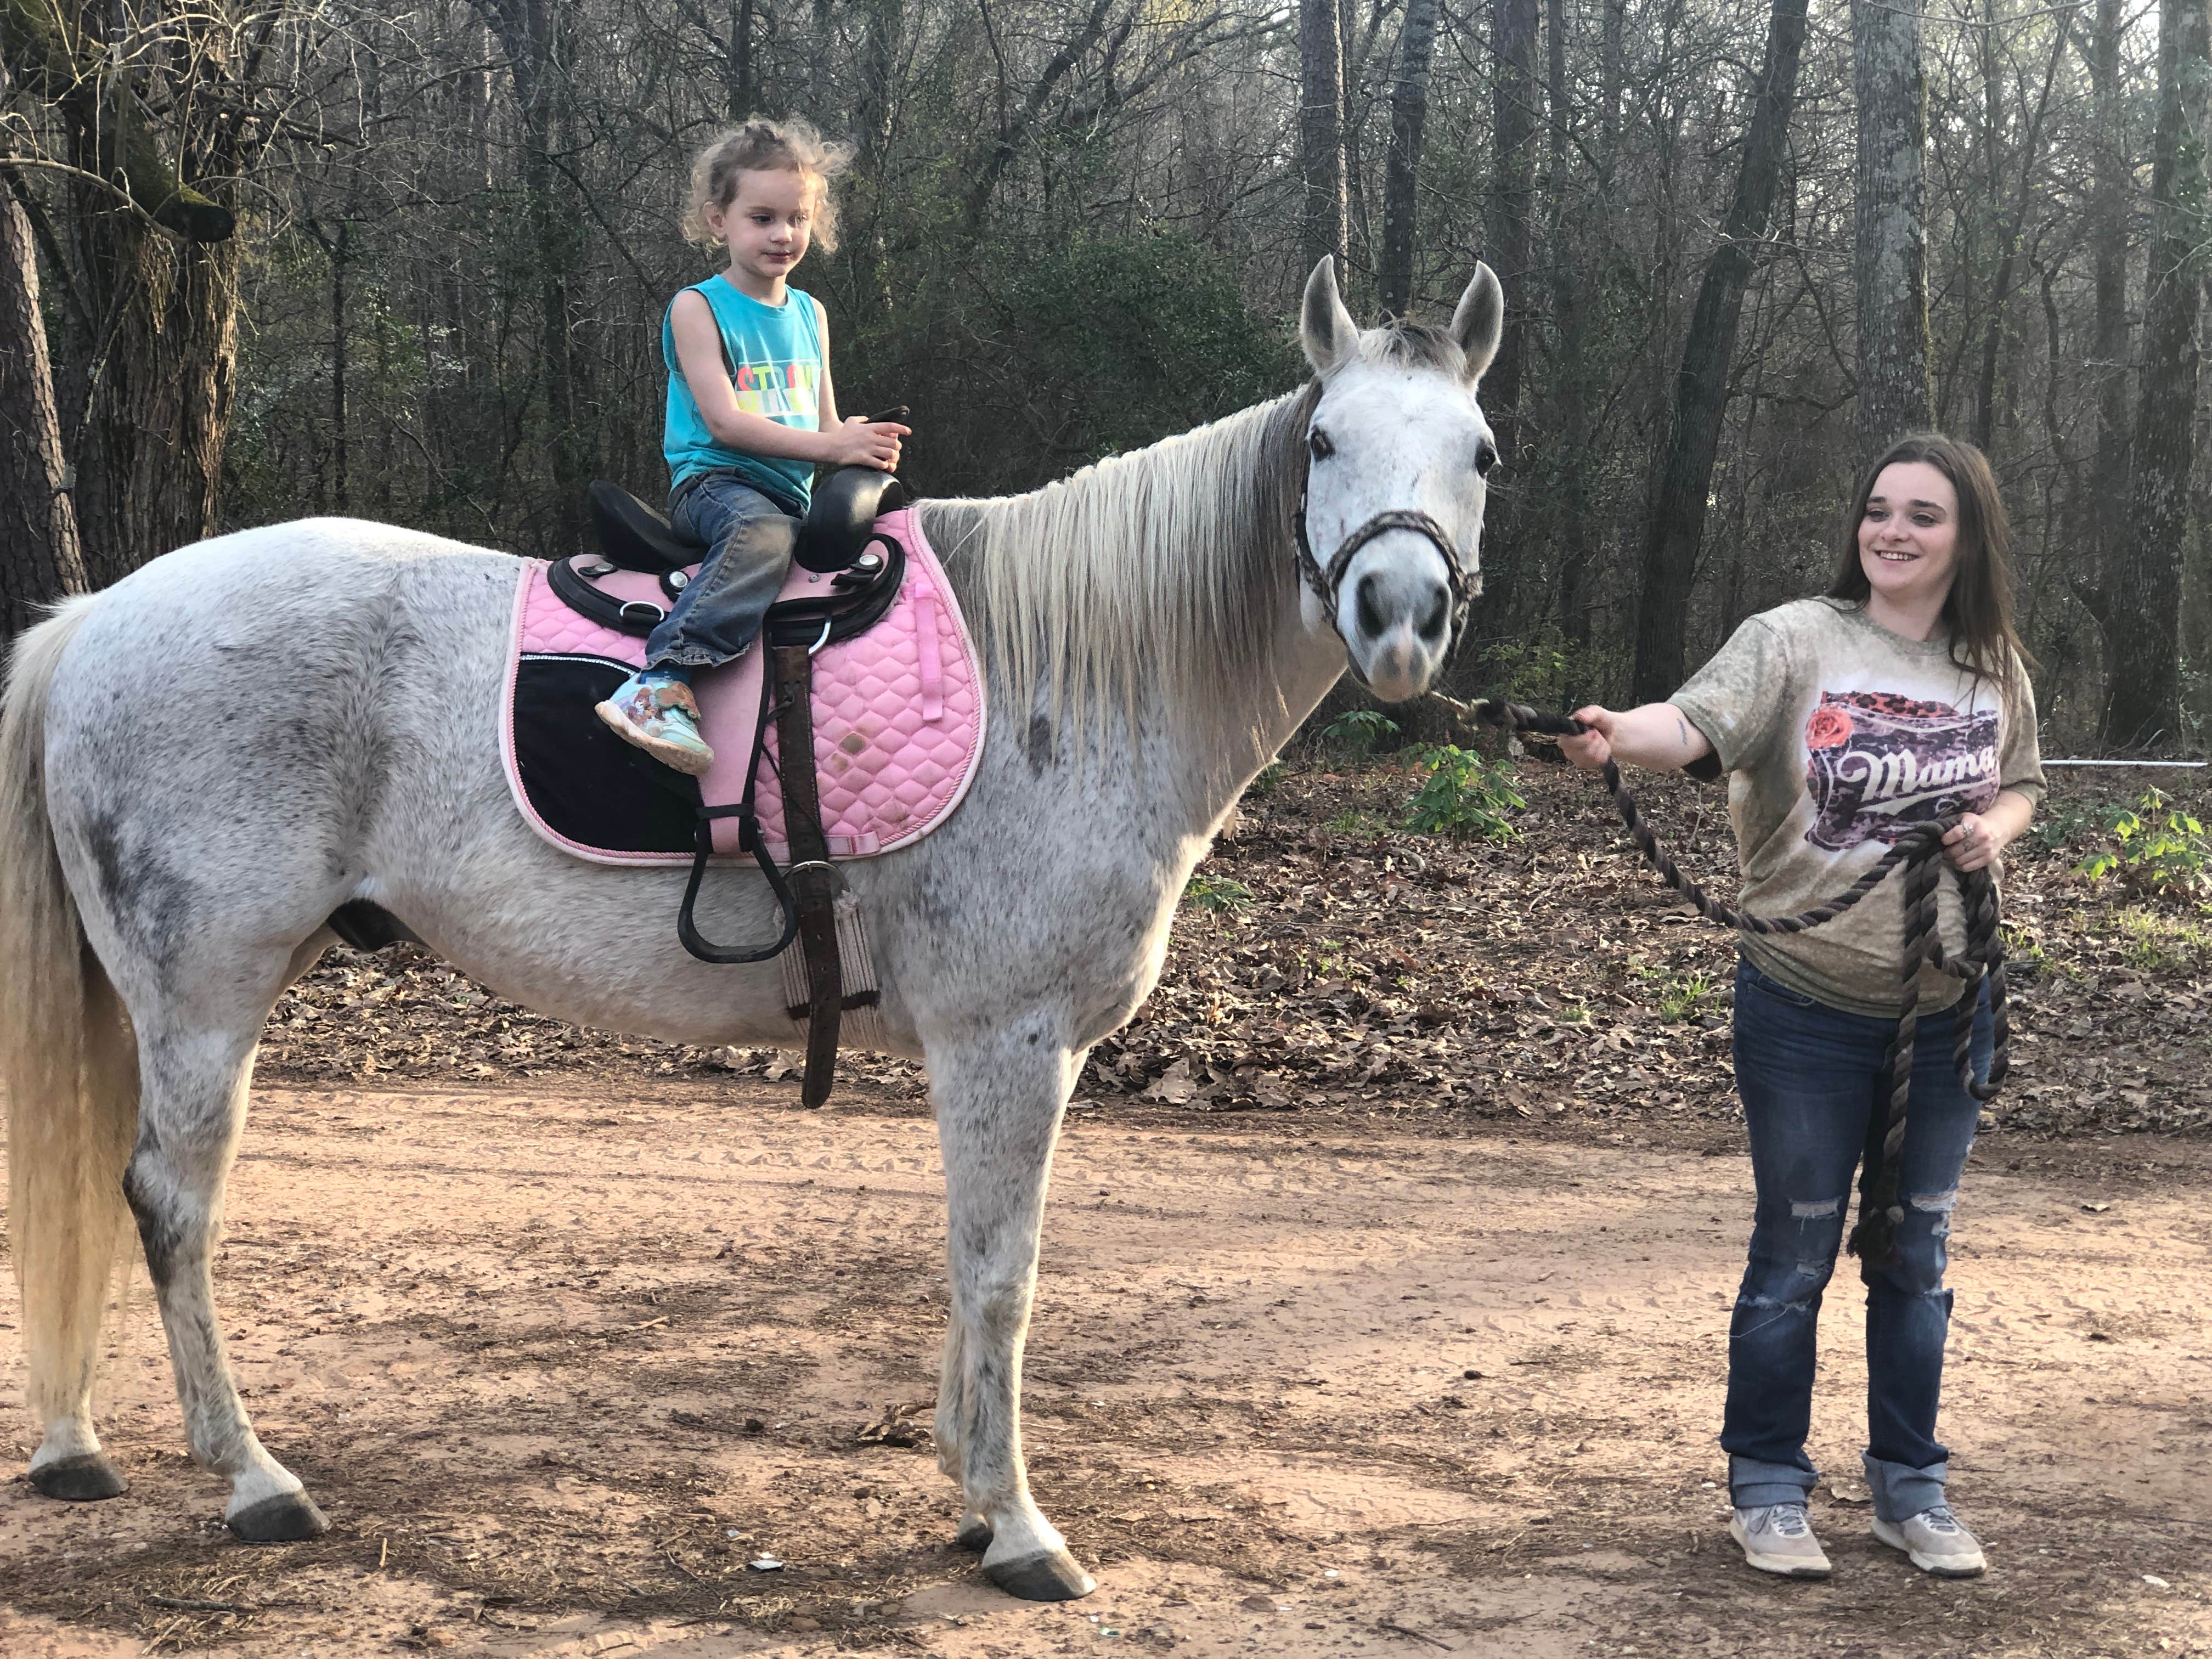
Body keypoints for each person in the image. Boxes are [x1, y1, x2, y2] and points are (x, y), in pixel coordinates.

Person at [1560, 433, 2044, 1583]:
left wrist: (1996, 830)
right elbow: (1691, 727)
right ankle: (1769, 1486)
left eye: (1924, 516)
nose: (1894, 531)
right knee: (1797, 1250)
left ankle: (1909, 1489)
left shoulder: (1995, 666)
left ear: (1966, 537)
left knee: (1915, 1252)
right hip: (1807, 1009)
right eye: (1880, 509)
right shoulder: (1794, 640)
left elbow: (2023, 779)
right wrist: (1615, 733)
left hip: (1947, 1007)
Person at [596, 117, 910, 775]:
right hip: (716, 483)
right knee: (764, 533)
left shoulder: (811, 313)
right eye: (761, 217)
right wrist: (834, 448)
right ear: (719, 222)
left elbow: (823, 427)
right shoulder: (697, 307)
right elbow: (725, 424)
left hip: (790, 491)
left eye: (797, 218)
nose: (782, 234)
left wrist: (858, 443)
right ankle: (661, 680)